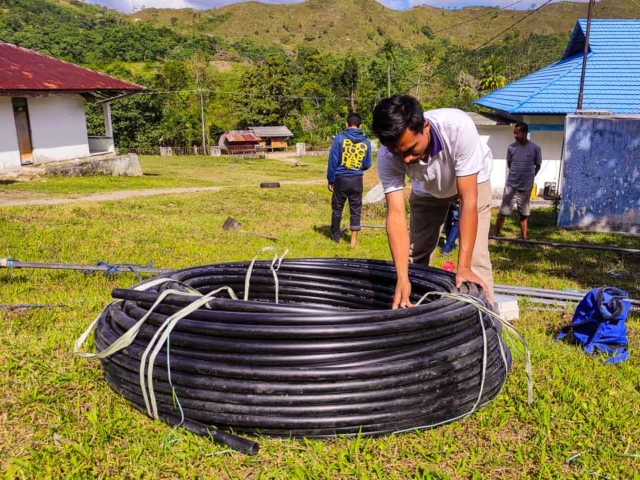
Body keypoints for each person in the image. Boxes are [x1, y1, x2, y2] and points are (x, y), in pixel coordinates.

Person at [372, 95, 494, 308]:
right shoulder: (387, 155)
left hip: (472, 181)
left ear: (425, 127)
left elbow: (468, 200)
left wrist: (463, 266)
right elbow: (396, 214)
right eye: (399, 154)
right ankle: (414, 310)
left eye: (411, 150)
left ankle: (488, 322)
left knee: (476, 260)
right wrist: (402, 276)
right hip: (426, 188)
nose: (407, 160)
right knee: (415, 255)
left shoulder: (458, 128)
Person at [327, 112, 373, 246]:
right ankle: (353, 240)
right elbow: (367, 164)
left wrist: (331, 179)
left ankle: (335, 238)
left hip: (341, 178)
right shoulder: (366, 142)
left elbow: (333, 161)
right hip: (357, 179)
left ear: (346, 124)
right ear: (361, 125)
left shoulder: (339, 138)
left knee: (337, 208)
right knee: (356, 209)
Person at [493, 122, 542, 241]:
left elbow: (538, 165)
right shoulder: (511, 148)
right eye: (514, 133)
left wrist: (530, 177)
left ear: (525, 133)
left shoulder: (535, 148)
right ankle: (494, 235)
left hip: (525, 187)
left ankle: (524, 239)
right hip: (511, 186)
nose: (515, 135)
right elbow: (510, 164)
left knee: (524, 214)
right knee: (503, 212)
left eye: (517, 133)